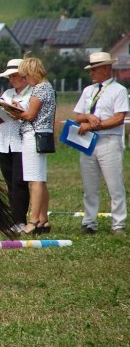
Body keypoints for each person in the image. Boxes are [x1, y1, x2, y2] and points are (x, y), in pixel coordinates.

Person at [71, 52, 127, 236]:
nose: (92, 73)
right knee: (90, 185)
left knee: (114, 185)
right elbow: (78, 115)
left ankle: (118, 224)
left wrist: (95, 125)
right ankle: (89, 221)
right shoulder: (88, 90)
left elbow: (119, 117)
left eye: (95, 69)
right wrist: (87, 117)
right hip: (88, 142)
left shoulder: (118, 90)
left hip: (109, 140)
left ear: (105, 68)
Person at [14, 56, 56, 236]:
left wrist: (15, 112)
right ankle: (43, 218)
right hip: (41, 134)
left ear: (32, 73)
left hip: (33, 134)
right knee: (40, 179)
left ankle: (33, 220)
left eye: (25, 76)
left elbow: (30, 115)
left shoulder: (40, 88)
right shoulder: (47, 87)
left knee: (35, 181)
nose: (25, 80)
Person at [0, 59, 31, 234]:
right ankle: (14, 219)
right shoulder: (7, 93)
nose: (12, 79)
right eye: (9, 77)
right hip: (4, 142)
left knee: (19, 183)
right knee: (10, 183)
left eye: (14, 75)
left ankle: (20, 220)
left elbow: (30, 115)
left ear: (24, 75)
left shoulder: (32, 93)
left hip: (21, 142)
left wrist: (18, 110)